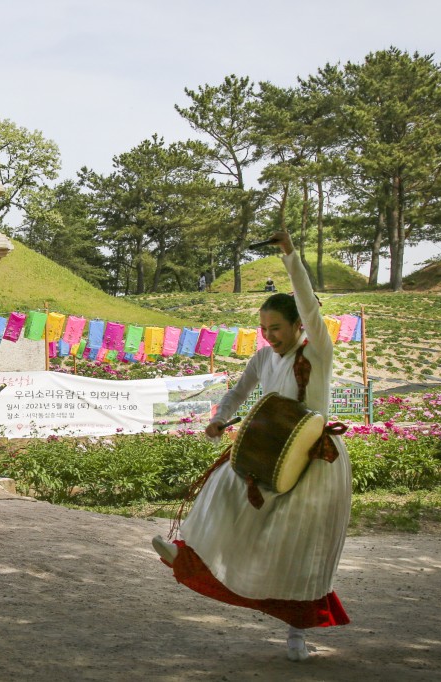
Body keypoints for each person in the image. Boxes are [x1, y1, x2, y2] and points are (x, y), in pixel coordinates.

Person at [152, 231, 351, 662]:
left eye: (275, 328)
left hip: (316, 458)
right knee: (222, 485)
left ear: (299, 325)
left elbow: (309, 301)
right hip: (266, 450)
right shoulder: (263, 359)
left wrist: (290, 257)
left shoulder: (317, 351)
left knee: (299, 546)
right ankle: (187, 557)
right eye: (263, 330)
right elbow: (238, 391)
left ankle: (298, 636)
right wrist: (221, 418)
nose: (269, 337)